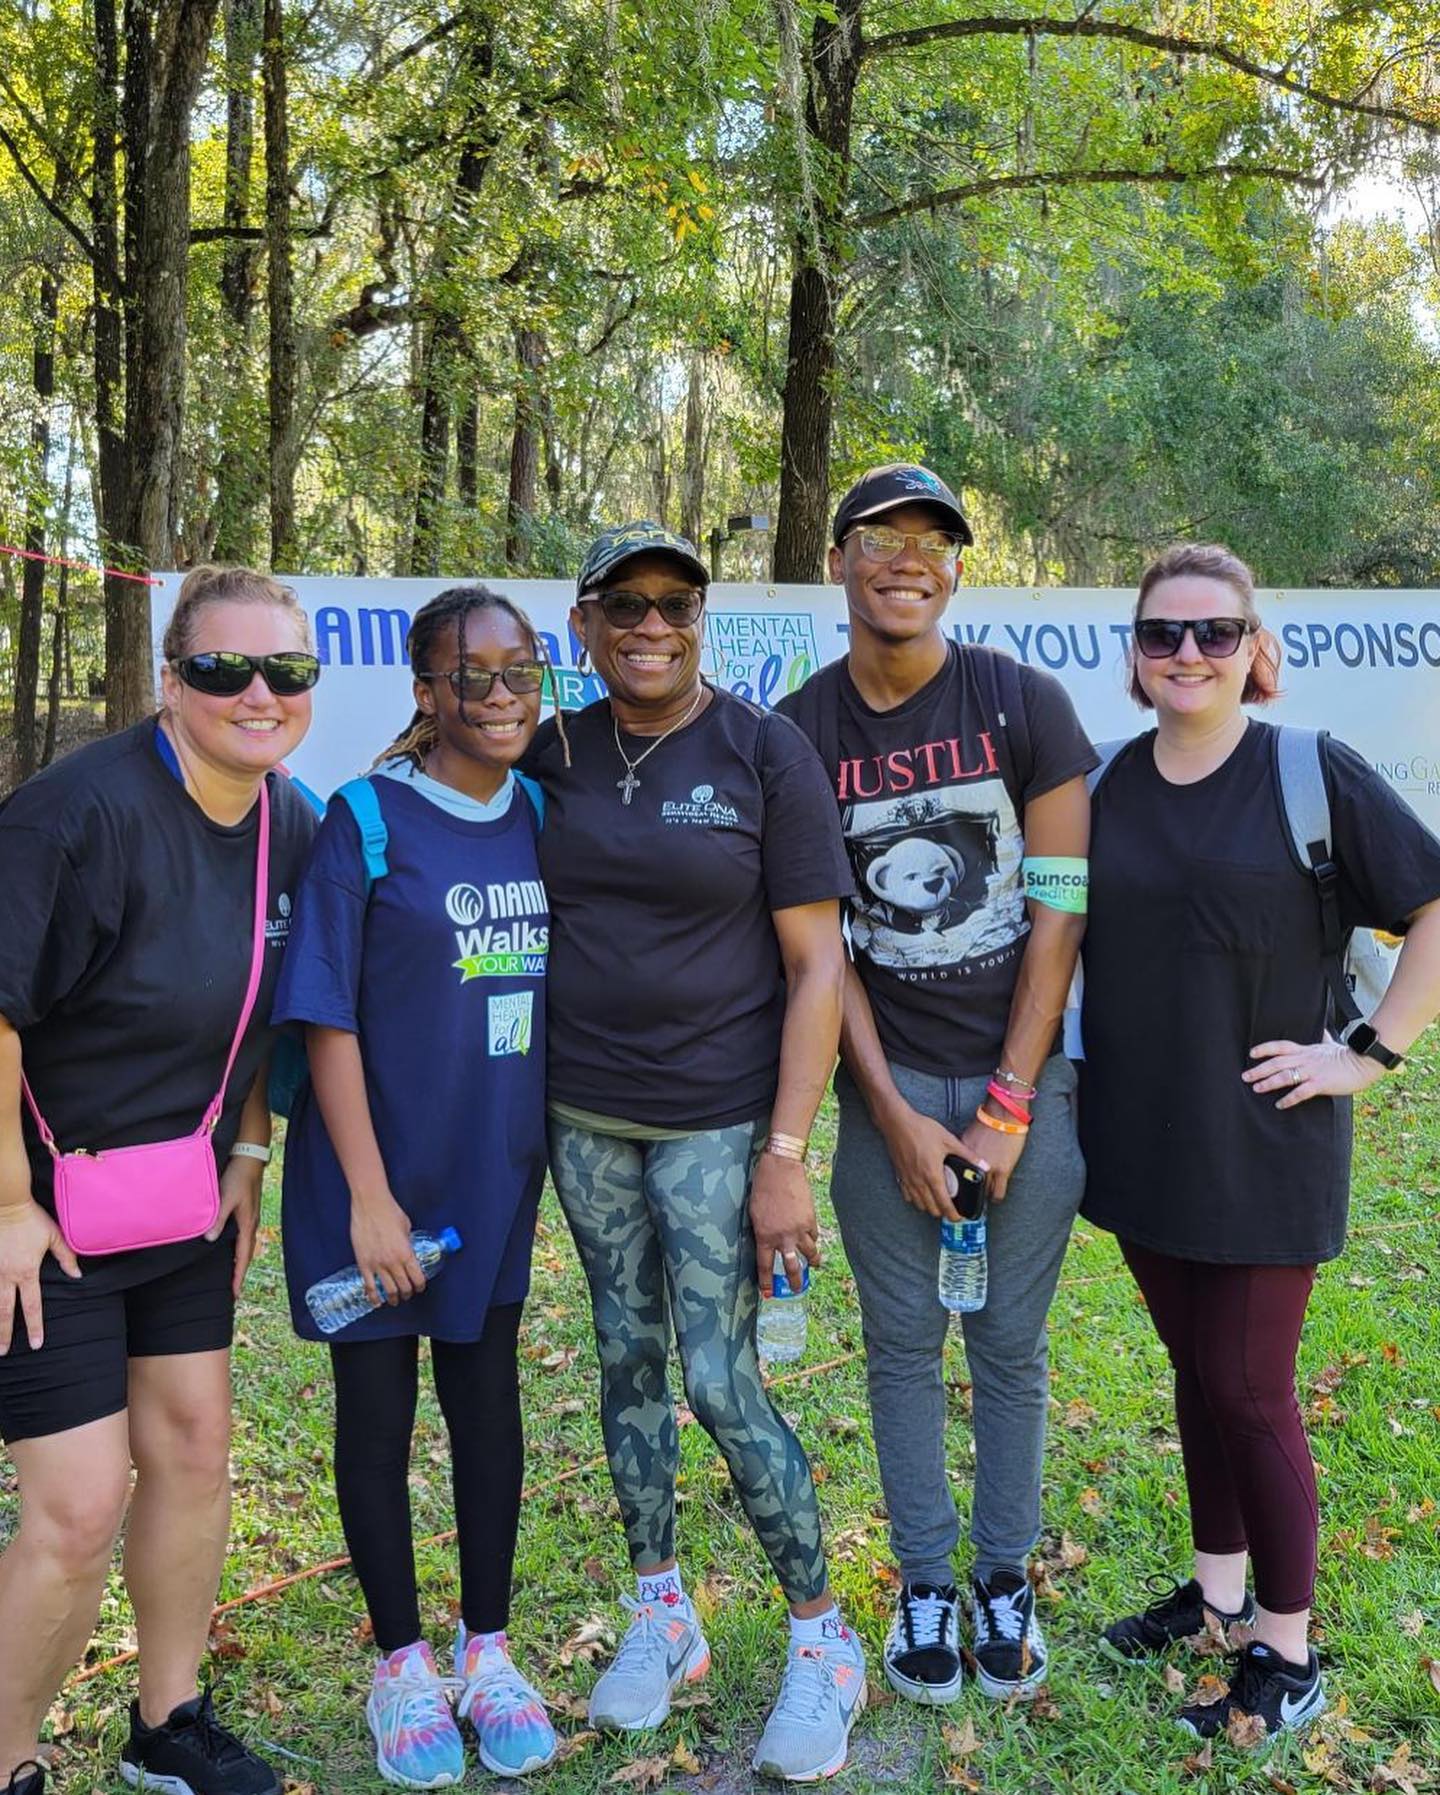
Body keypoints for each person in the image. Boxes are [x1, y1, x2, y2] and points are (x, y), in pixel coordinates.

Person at [1081, 543, 1440, 1738]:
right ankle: (1218, 1594)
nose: (1187, 653)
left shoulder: (1306, 771)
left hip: (1267, 1140)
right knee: (1200, 1379)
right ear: (1132, 656)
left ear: (1253, 648)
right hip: (1140, 1137)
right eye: (1162, 635)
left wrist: (1370, 1053)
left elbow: (1430, 904)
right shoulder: (1106, 786)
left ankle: (1287, 1653)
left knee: (1250, 1387)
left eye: (1214, 633)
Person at [526, 521, 866, 1783]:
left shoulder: (762, 748)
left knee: (721, 1380)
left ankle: (823, 1639)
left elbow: (817, 962)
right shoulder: (552, 746)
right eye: (625, 604)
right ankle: (663, 1612)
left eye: (675, 602)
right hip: (585, 1116)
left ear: (701, 617)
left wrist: (787, 1149)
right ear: (586, 624)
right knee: (624, 1359)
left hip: (721, 1119)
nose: (651, 624)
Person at [0, 566, 320, 1795]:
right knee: (76, 1505)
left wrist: (248, 1149)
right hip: (42, 1219)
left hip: (177, 1200)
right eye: (222, 669)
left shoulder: (289, 820)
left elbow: (251, 1011)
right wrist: (10, 1206)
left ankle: (167, 1720)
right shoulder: (70, 814)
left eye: (284, 672)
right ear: (167, 679)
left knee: (193, 1445)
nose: (256, 693)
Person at [777, 465, 1094, 1705]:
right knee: (903, 1347)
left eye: (931, 541)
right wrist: (898, 1117)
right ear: (840, 563)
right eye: (879, 539)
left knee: (1009, 1346)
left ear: (957, 568)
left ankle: (1006, 1575)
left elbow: (1061, 912)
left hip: (1025, 1079)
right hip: (886, 1082)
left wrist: (1007, 1103)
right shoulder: (798, 732)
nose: (907, 558)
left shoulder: (1024, 702)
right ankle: (923, 1582)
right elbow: (822, 948)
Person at [272, 586, 559, 1787]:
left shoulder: (545, 812)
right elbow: (326, 1015)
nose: (501, 698)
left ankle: (485, 1649)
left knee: (487, 1406)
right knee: (378, 1413)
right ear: (427, 693)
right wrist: (369, 1199)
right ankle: (400, 1662)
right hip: (375, 1183)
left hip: (493, 1175)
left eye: (521, 673)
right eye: (473, 677)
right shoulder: (368, 819)